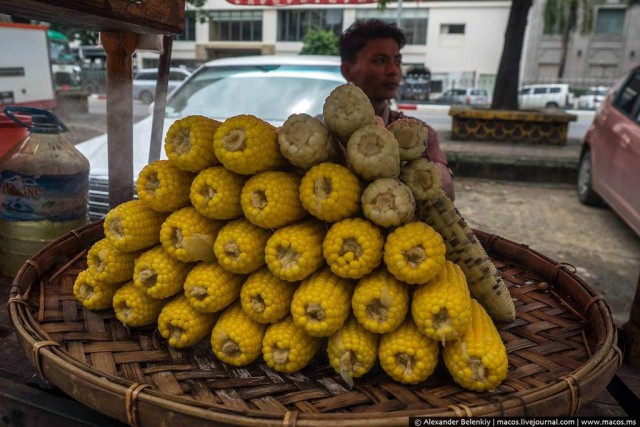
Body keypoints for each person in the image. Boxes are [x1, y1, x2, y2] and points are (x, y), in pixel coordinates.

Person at [339, 19, 455, 201]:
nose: (393, 70)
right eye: (379, 60)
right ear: (347, 70)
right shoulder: (325, 131)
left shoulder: (417, 134)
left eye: (397, 61)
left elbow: (447, 189)